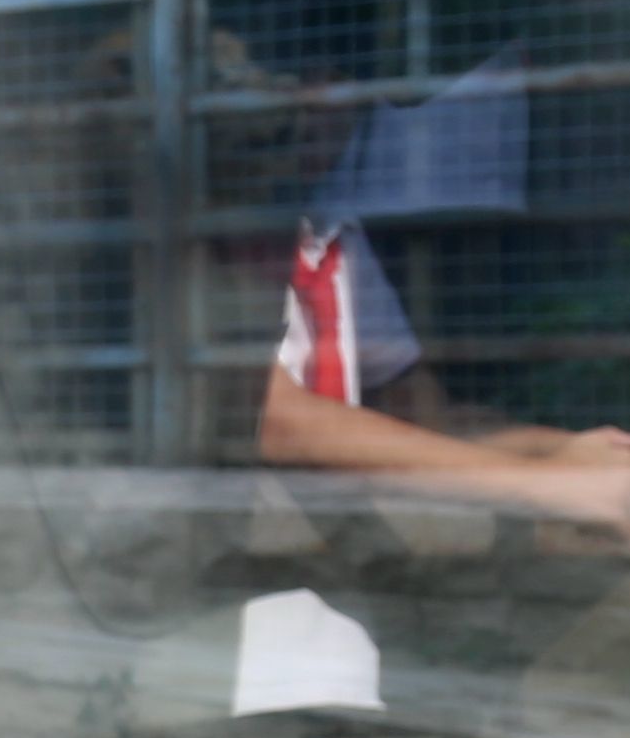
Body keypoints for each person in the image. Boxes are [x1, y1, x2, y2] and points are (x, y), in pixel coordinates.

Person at [254, 54, 630, 538]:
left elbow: (422, 421)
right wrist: (547, 483)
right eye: (292, 79)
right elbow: (268, 416)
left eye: (335, 77)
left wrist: (566, 451)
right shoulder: (206, 246)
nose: (308, 109)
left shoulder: (334, 237)